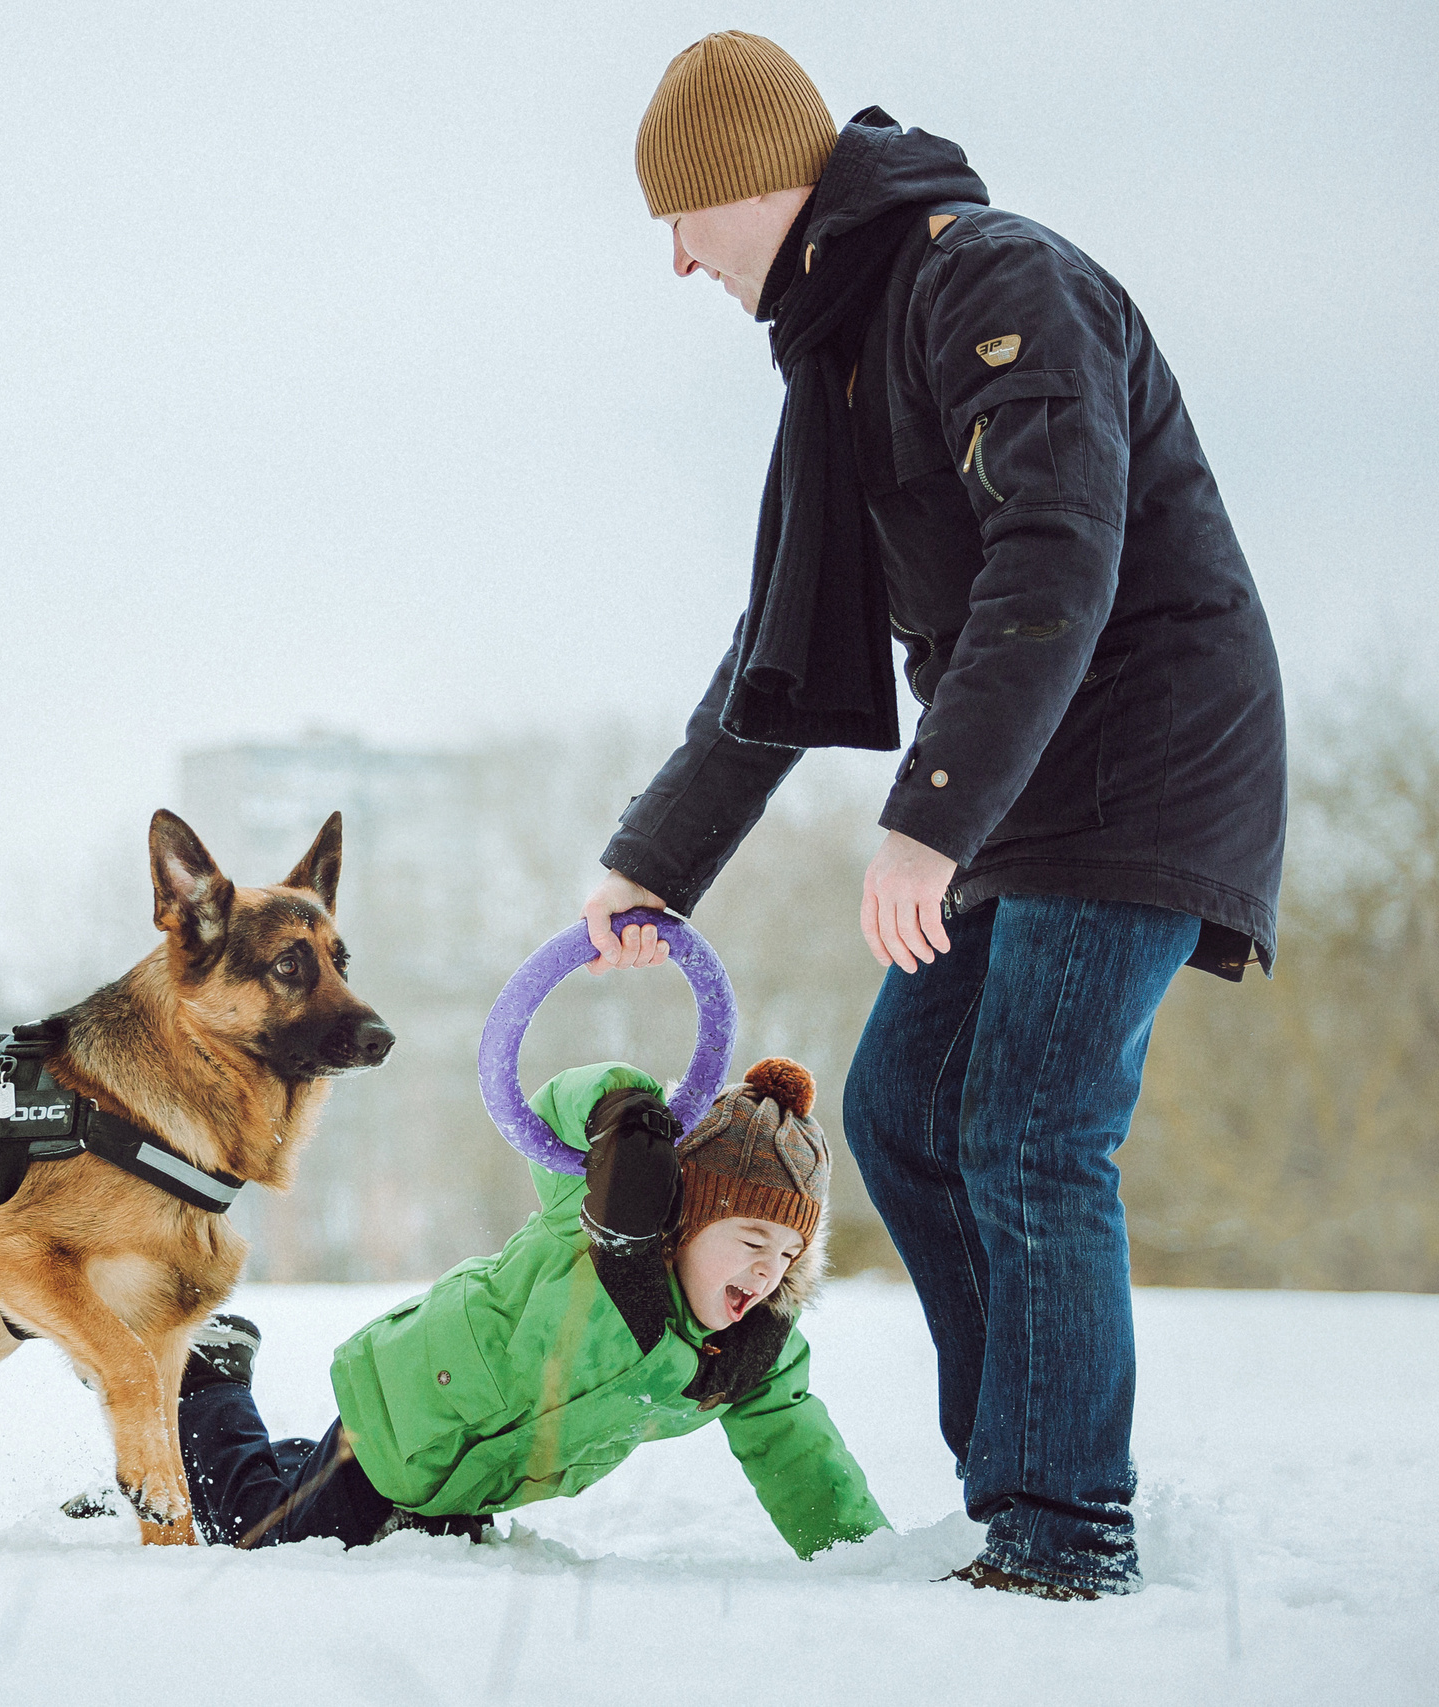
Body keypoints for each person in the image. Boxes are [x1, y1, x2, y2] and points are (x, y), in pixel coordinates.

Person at [577, 33, 1286, 1598]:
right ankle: (1013, 1487)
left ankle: (1064, 1526)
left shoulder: (991, 280)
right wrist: (655, 858)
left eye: (681, 216)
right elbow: (777, 649)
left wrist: (930, 819)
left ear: (755, 180)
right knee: (904, 1108)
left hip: (1141, 757)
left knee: (1032, 1125)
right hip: (1027, 779)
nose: (677, 259)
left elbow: (1057, 550)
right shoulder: (842, 351)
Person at [172, 1060, 887, 1559]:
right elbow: (552, 1110)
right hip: (408, 1420)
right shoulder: (595, 1222)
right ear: (684, 1217)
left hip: (471, 1479)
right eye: (753, 1240)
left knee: (318, 1495)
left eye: (790, 1252)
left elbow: (802, 1454)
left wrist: (864, 1557)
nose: (769, 1269)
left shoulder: (750, 1354)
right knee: (266, 1536)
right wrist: (621, 1111)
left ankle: (272, 1464)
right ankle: (210, 1376)